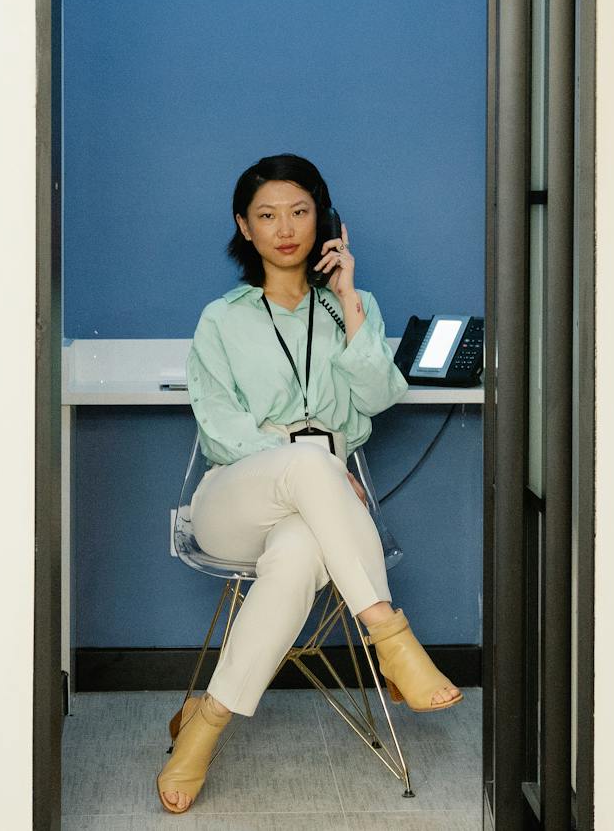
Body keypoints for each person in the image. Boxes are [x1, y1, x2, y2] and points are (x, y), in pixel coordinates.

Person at [156, 153, 461, 814]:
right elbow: (220, 431)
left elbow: (378, 396)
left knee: (295, 556)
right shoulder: (223, 319)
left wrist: (349, 295)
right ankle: (391, 636)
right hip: (233, 498)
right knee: (310, 464)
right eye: (267, 214)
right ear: (245, 225)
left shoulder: (354, 307)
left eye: (299, 211)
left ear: (324, 220)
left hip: (313, 516)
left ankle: (204, 723)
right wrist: (317, 465)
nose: (285, 227)